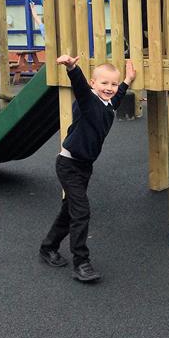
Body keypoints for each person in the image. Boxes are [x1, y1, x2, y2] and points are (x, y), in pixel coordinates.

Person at [39, 55, 136, 283]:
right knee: (81, 212)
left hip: (84, 167)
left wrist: (127, 81)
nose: (109, 88)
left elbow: (117, 98)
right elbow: (80, 88)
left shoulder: (108, 104)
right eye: (104, 83)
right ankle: (81, 262)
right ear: (93, 83)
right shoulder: (88, 100)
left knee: (69, 210)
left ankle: (48, 247)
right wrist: (73, 68)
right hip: (69, 165)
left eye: (113, 84)